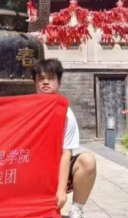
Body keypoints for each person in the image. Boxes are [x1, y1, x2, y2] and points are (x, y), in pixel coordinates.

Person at [33, 58, 97, 218]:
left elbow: (65, 153)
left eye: (50, 78)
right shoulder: (26, 108)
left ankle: (77, 209)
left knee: (87, 161)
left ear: (59, 82)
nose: (45, 82)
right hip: (33, 169)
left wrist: (61, 190)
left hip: (56, 169)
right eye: (41, 78)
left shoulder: (66, 114)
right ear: (35, 83)